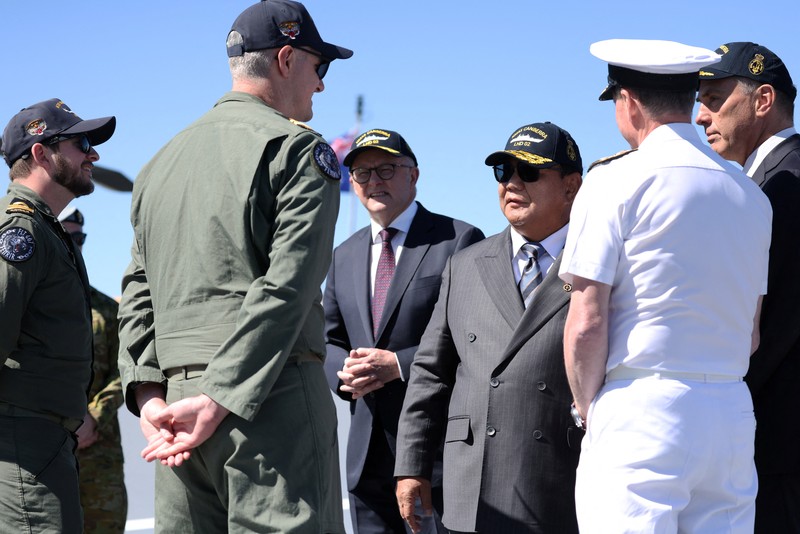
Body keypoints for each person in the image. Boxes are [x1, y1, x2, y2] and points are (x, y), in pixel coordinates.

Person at [116, 1, 352, 532]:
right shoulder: (297, 151)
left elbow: (136, 288)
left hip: (174, 417)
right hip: (269, 400)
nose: (321, 86)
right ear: (287, 59)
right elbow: (285, 289)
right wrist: (220, 397)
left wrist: (150, 393)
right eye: (321, 67)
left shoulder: (159, 163)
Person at [560, 39, 772, 533]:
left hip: (641, 405)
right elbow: (752, 333)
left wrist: (592, 411)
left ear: (628, 101)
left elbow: (587, 321)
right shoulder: (749, 194)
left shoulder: (613, 181)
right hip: (730, 412)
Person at [394, 122, 584, 534]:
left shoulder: (597, 263)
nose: (512, 183)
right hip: (473, 484)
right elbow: (430, 372)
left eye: (529, 171)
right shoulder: (466, 264)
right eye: (504, 171)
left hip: (562, 481)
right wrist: (411, 465)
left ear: (571, 187)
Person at [323, 129, 484, 533]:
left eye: (386, 169)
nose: (373, 181)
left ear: (413, 176)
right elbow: (326, 339)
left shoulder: (458, 240)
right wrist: (344, 372)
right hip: (367, 453)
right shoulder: (344, 255)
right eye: (361, 173)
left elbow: (474, 334)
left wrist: (398, 364)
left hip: (438, 453)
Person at [695, 41, 800, 533]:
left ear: (762, 101)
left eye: (714, 99)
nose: (700, 116)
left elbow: (771, 324)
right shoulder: (768, 184)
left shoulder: (784, 187)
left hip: (779, 448)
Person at [0, 98, 115, 532]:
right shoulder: (21, 231)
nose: (94, 154)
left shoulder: (45, 229)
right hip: (23, 443)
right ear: (40, 153)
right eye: (82, 142)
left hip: (45, 442)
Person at [59, 206, 128, 533]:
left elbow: (126, 369)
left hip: (100, 455)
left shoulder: (106, 310)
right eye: (66, 235)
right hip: (47, 450)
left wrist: (95, 417)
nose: (74, 243)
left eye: (80, 237)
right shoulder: (29, 303)